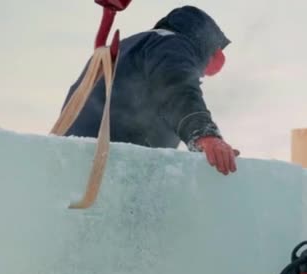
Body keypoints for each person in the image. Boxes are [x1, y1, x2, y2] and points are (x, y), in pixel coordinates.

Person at [61, 5, 239, 175]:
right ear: (204, 45)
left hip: (68, 158)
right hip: (109, 167)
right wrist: (204, 134)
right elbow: (176, 86)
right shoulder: (170, 43)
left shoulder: (129, 47)